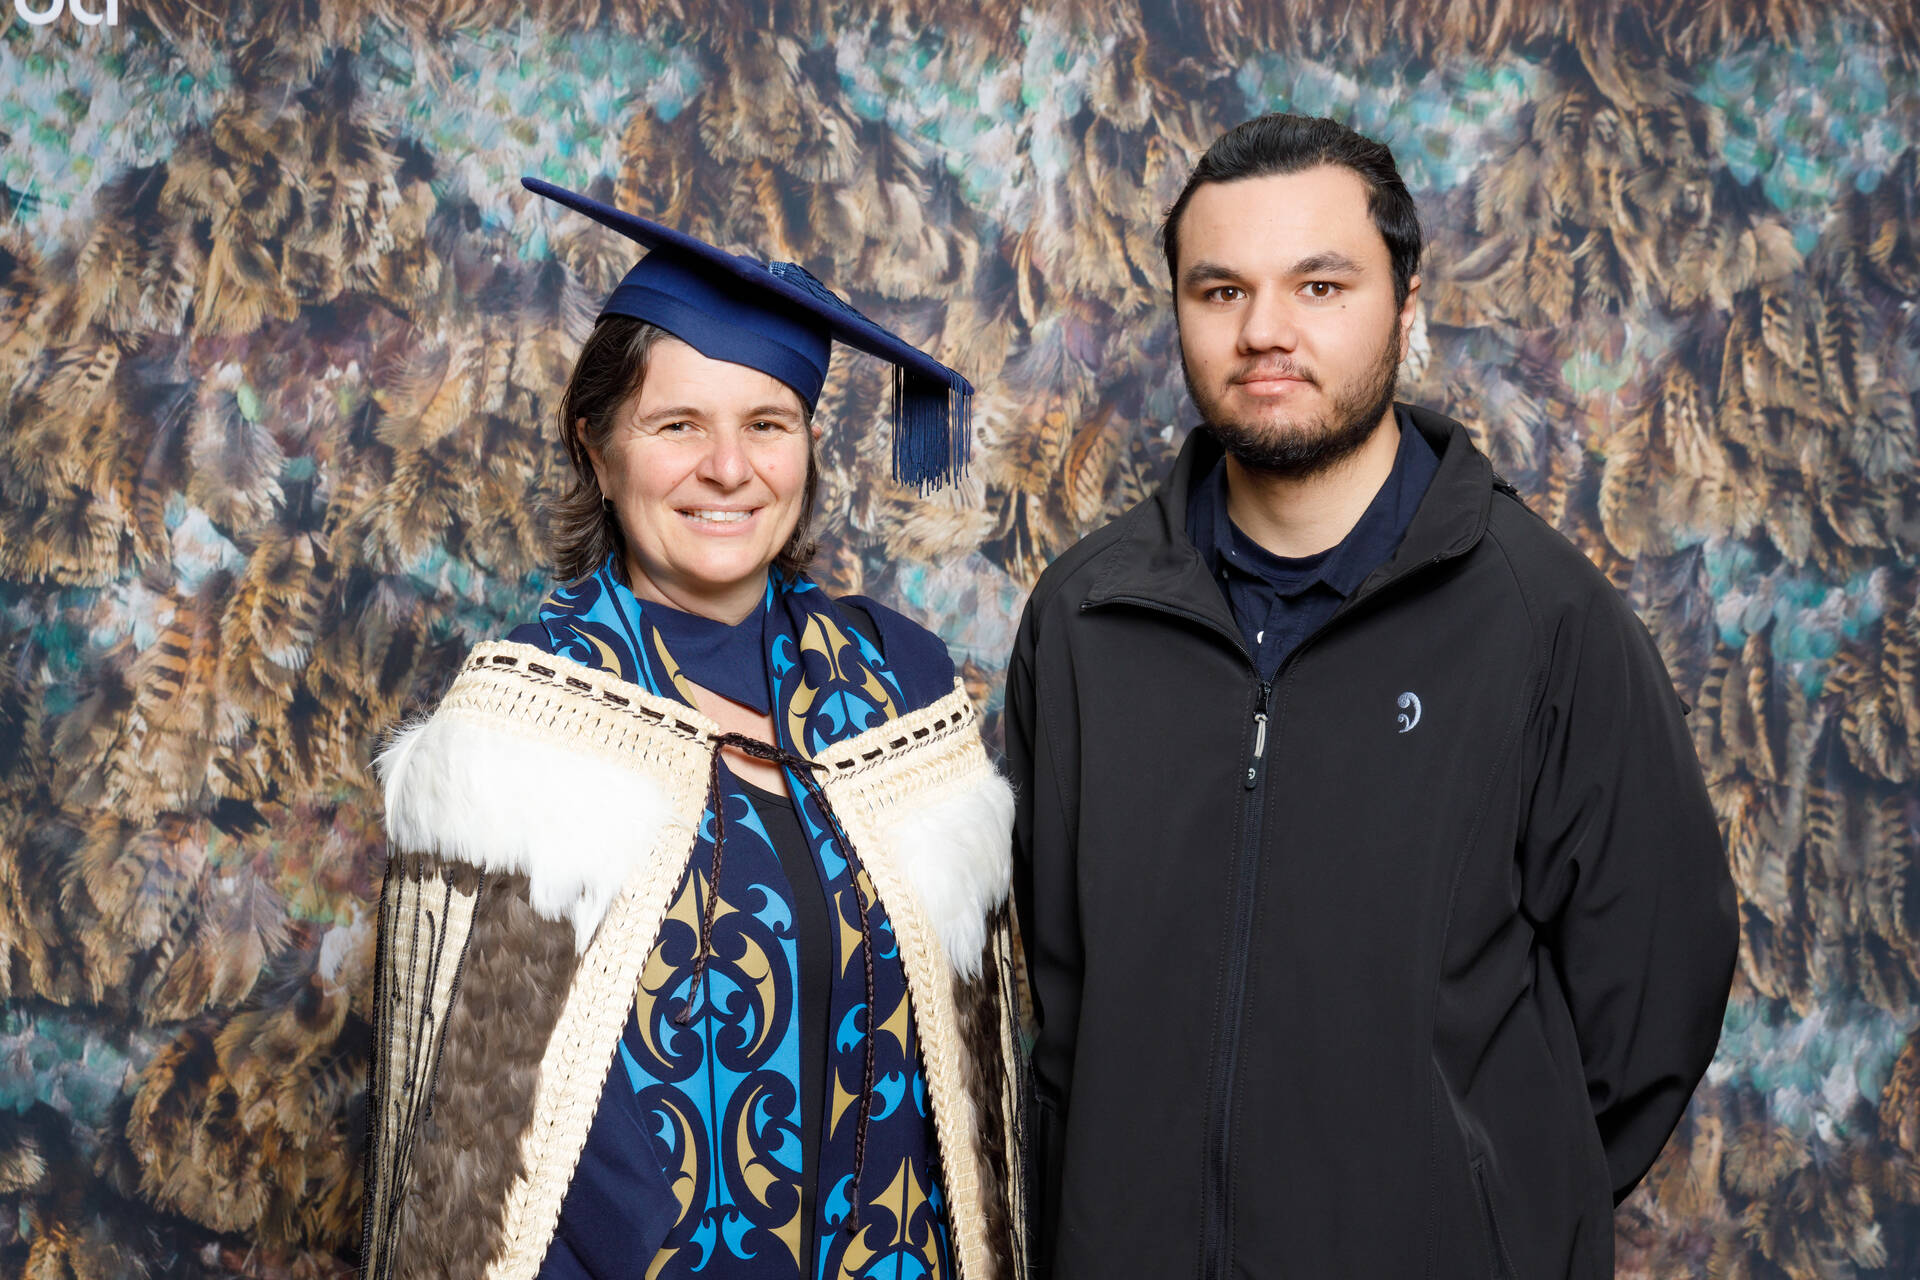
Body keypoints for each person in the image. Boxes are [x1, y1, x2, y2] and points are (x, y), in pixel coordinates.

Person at [1007, 113, 1738, 1278]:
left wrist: (1483, 1207)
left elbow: (1652, 1002)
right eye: (1221, 290)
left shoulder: (1542, 618)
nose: (1265, 330)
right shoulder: (1084, 619)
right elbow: (1062, 997)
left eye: (1319, 285)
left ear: (1406, 307)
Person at [359, 178, 1028, 1280]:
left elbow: (969, 1101)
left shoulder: (897, 685)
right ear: (597, 446)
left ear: (807, 445)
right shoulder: (521, 728)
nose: (728, 468)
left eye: (767, 424)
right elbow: (476, 1160)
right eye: (678, 425)